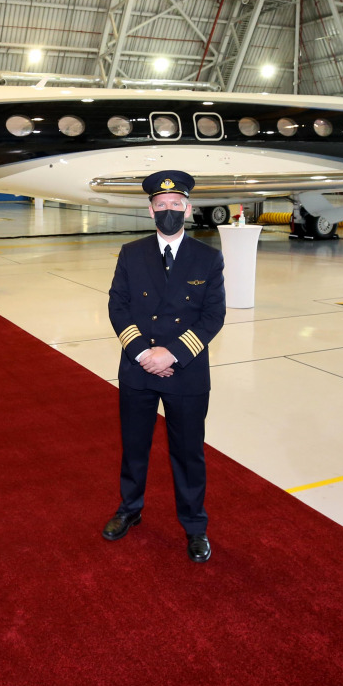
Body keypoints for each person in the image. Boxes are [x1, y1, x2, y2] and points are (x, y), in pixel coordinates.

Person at [103, 171, 226, 563]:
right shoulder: (131, 252)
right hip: (138, 367)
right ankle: (129, 509)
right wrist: (143, 353)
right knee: (134, 446)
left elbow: (213, 316)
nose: (168, 210)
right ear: (150, 209)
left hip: (185, 370)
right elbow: (118, 306)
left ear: (188, 209)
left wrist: (171, 354)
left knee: (188, 453)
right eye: (161, 205)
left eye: (176, 204)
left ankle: (194, 525)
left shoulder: (207, 257)